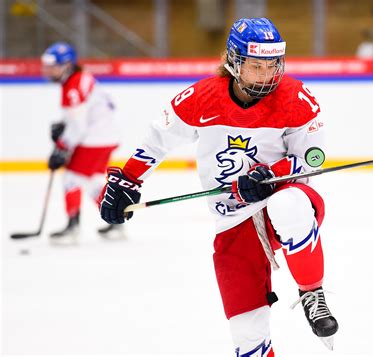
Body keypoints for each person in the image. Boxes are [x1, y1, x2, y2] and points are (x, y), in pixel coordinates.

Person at [99, 18, 338, 355]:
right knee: (246, 335)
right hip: (233, 217)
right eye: (256, 66)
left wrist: (271, 175)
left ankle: (312, 292)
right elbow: (156, 142)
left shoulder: (295, 97)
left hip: (282, 196)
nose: (266, 75)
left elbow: (313, 158)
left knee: (289, 206)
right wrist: (129, 179)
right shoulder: (200, 98)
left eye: (272, 66)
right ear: (233, 62)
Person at [41, 42, 122, 243]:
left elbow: (78, 126)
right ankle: (116, 223)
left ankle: (72, 229)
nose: (49, 70)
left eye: (54, 66)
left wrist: (61, 147)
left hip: (93, 139)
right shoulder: (79, 78)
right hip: (106, 137)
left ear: (67, 65)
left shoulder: (74, 85)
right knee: (93, 181)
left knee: (71, 178)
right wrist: (63, 126)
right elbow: (78, 117)